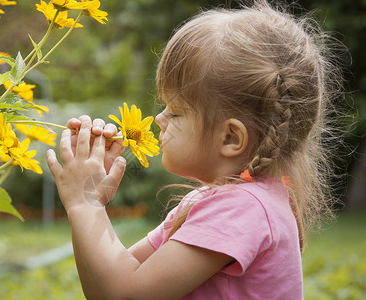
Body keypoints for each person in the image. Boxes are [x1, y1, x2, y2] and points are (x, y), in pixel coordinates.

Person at [46, 1, 344, 298]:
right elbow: (104, 290)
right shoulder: (221, 202)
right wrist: (88, 201)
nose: (159, 119)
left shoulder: (242, 209)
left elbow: (126, 294)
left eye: (175, 112)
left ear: (230, 137)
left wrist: (84, 205)